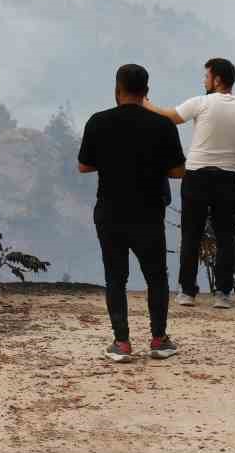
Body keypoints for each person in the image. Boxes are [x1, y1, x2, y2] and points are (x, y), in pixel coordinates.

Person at [77, 64, 186, 362]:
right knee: (156, 276)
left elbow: (84, 165)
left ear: (117, 90)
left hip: (110, 212)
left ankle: (121, 343)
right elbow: (178, 171)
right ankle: (159, 340)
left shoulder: (98, 122)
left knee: (115, 276)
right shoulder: (163, 125)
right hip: (148, 213)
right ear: (146, 92)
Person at [144, 57, 235, 309]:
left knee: (191, 235)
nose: (203, 80)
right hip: (228, 178)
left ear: (217, 79)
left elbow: (171, 117)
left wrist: (146, 103)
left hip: (196, 176)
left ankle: (187, 292)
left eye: (206, 76)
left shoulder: (202, 103)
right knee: (226, 237)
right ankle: (223, 294)